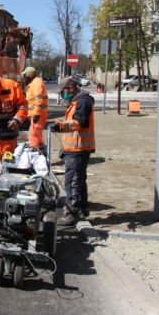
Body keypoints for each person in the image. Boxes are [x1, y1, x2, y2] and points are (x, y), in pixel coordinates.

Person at [50, 77, 95, 226]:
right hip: (75, 147)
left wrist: (61, 127)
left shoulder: (82, 102)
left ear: (71, 88)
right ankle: (82, 208)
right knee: (79, 180)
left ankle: (72, 212)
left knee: (72, 181)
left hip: (78, 147)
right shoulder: (77, 101)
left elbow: (80, 122)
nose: (63, 94)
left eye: (64, 91)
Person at [22, 66, 48, 151]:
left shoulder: (36, 83)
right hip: (37, 113)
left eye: (25, 75)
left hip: (38, 114)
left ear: (30, 74)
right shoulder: (34, 83)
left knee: (34, 134)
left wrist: (37, 113)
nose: (24, 77)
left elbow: (38, 99)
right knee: (37, 133)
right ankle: (40, 149)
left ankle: (34, 150)